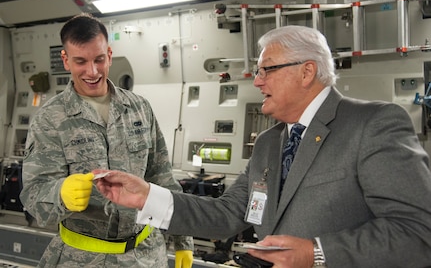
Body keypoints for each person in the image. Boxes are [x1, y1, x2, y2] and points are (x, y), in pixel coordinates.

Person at [94, 25, 431, 268]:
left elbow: (417, 232)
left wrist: (317, 253)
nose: (256, 81)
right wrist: (146, 196)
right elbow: (228, 214)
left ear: (306, 72)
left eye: (266, 70)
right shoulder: (271, 142)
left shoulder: (372, 124)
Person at [19, 12, 193, 268]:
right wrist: (60, 194)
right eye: (81, 61)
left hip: (146, 256)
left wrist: (182, 241)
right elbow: (33, 197)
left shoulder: (139, 108)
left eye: (99, 59)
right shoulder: (50, 119)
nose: (92, 71)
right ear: (65, 60)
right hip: (82, 260)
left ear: (109, 54)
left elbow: (162, 178)